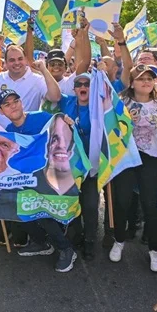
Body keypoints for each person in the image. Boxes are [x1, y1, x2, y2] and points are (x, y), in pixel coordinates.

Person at [0, 90, 79, 272]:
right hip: (27, 181)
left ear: (21, 102)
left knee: (43, 212)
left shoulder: (41, 117)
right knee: (17, 208)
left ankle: (66, 249)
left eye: (15, 101)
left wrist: (66, 120)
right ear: (2, 111)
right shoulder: (9, 131)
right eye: (7, 104)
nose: (13, 106)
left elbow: (60, 124)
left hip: (50, 178)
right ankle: (41, 242)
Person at [110, 64, 157, 273]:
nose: (146, 82)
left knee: (149, 204)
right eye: (141, 79)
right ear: (132, 83)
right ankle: (119, 240)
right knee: (122, 201)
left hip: (150, 157)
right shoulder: (121, 102)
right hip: (125, 156)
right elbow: (110, 128)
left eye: (150, 78)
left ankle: (153, 249)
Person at [57, 72, 98, 260]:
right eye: (79, 84)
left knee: (89, 205)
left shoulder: (99, 107)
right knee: (73, 202)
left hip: (91, 165)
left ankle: (90, 240)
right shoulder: (67, 103)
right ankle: (77, 234)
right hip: (70, 165)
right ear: (74, 89)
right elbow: (50, 90)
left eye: (87, 83)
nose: (83, 86)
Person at [0, 47, 61, 126]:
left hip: (27, 134)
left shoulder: (37, 80)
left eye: (20, 59)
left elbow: (55, 97)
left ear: (26, 60)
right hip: (1, 135)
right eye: (12, 60)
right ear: (5, 63)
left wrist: (44, 70)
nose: (17, 63)